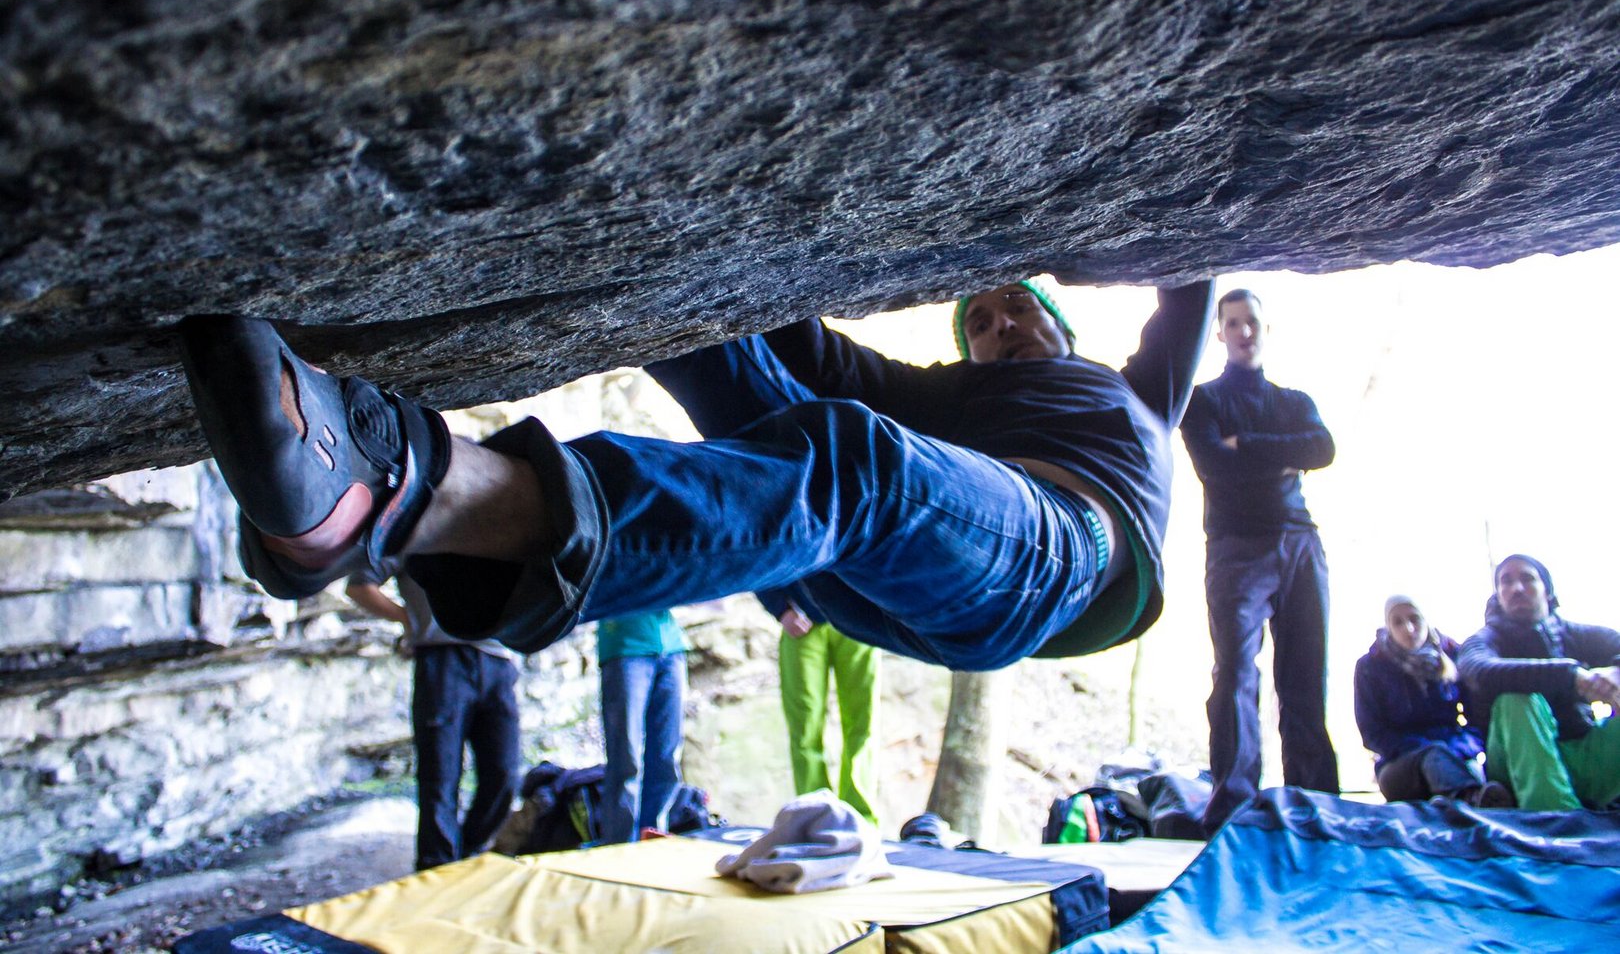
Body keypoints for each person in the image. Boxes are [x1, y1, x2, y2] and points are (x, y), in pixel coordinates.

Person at [175, 275, 1213, 675]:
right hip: (877, 583)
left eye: (1016, 311)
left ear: (1063, 322)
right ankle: (352, 494)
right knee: (723, 346)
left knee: (860, 462)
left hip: (1058, 555)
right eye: (978, 321)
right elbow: (814, 351)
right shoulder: (947, 397)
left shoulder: (1135, 394)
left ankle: (397, 492)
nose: (997, 327)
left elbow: (1191, 284)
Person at [1180, 288, 1339, 834]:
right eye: (1233, 323)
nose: (1244, 331)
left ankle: (1316, 805)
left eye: (1252, 321)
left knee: (1304, 676)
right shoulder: (1200, 401)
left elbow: (1322, 448)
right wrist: (1280, 456)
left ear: (1264, 329)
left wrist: (1245, 443)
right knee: (1234, 676)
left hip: (1301, 545)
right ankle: (1232, 807)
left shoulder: (1294, 400)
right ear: (1219, 333)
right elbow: (1213, 468)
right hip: (1235, 550)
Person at [345, 572, 522, 870]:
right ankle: (436, 869)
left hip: (500, 662)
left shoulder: (496, 529)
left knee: (504, 774)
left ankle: (464, 855)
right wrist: (408, 618)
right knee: (439, 776)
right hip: (441, 660)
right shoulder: (406, 530)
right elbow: (359, 586)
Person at [1457, 554, 1620, 811]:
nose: (1516, 588)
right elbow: (1479, 671)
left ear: (1547, 590)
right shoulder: (1483, 641)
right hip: (1516, 767)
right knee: (1517, 699)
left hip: (1583, 757)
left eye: (1527, 579)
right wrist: (1571, 676)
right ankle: (1555, 821)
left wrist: (1615, 674)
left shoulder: (1578, 635)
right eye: (1506, 582)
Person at [1353, 594, 1509, 806]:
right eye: (1397, 622)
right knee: (1435, 756)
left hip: (1455, 753)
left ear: (1425, 620)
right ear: (1388, 626)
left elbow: (1477, 718)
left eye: (1414, 619)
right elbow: (1372, 733)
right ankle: (1473, 800)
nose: (1408, 628)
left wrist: (1461, 747)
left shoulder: (1454, 654)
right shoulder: (1370, 667)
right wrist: (1423, 748)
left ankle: (1456, 804)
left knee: (1462, 768)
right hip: (1399, 766)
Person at [757, 592, 880, 825]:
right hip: (803, 626)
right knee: (804, 729)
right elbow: (755, 562)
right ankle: (815, 818)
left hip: (859, 621)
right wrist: (781, 610)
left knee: (863, 724)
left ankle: (861, 820)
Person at [596, 609, 688, 843]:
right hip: (625, 648)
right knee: (626, 760)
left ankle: (654, 838)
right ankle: (619, 846)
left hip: (672, 646)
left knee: (667, 757)